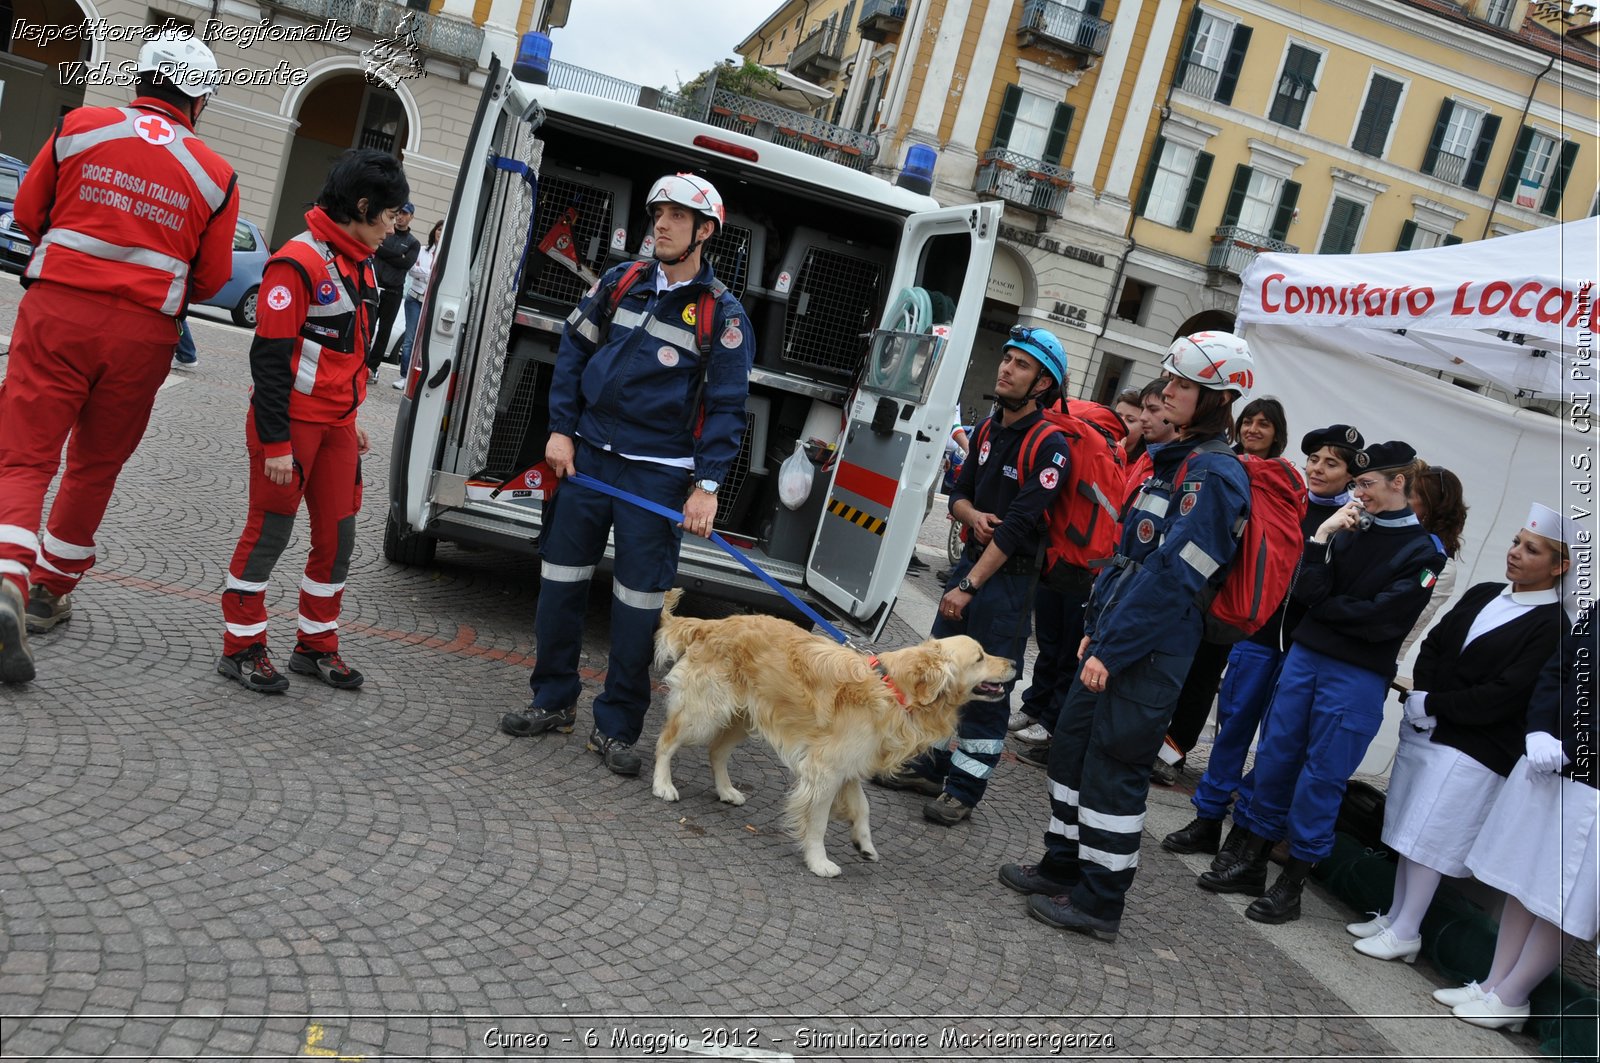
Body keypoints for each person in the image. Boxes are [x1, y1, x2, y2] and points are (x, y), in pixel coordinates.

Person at [0, 28, 239, 684]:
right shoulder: (216, 173)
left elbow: (27, 212)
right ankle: (50, 590)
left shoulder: (81, 127)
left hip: (58, 312)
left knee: (24, 455)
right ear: (198, 102)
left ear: (140, 80)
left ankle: (6, 580)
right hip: (143, 335)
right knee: (93, 467)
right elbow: (214, 278)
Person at [998, 331, 1254, 942]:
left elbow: (1173, 579)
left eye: (1183, 387)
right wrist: (1096, 632)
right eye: (1170, 382)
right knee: (1072, 752)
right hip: (1114, 638)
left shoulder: (1213, 477)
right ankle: (1062, 865)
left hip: (1150, 651)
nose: (1166, 394)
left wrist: (1112, 648)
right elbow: (1128, 562)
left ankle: (1100, 901)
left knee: (1114, 767)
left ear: (1217, 400)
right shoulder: (1173, 466)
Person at [498, 173, 753, 777]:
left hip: (656, 481)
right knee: (559, 587)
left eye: (675, 216)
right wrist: (560, 430)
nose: (659, 224)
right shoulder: (621, 282)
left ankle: (616, 729)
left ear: (705, 231)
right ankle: (552, 701)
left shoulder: (722, 313)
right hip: (586, 462)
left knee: (639, 611)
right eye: (656, 212)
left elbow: (726, 406)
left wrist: (707, 486)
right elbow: (573, 353)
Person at [1200, 441, 1447, 924]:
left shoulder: (1425, 552)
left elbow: (1381, 620)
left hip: (1353, 675)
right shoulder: (1350, 528)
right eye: (1357, 485)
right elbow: (1307, 589)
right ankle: (1251, 862)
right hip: (1308, 657)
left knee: (1320, 777)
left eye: (1367, 484)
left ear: (1399, 483)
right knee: (1275, 758)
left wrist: (1327, 608)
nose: (1360, 493)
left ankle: (1291, 885)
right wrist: (1320, 542)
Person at [216, 149, 407, 692]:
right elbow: (270, 361)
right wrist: (276, 443)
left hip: (336, 428)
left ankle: (315, 645)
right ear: (363, 207)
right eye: (390, 215)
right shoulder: (296, 261)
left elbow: (344, 352)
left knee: (339, 538)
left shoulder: (360, 258)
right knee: (270, 534)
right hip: (290, 428)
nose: (394, 227)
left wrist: (351, 415)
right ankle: (242, 648)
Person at [1349, 503, 1569, 964]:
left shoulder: (1552, 626)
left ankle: (1409, 927)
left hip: (1477, 746)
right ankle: (1395, 915)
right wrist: (1423, 695)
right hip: (1432, 725)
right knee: (1410, 826)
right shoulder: (1486, 592)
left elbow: (1506, 693)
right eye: (1515, 542)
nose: (1515, 553)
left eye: (1531, 550)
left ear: (1559, 566)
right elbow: (1436, 643)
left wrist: (1437, 705)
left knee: (1434, 836)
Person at [876, 327, 1070, 823]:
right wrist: (971, 517)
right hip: (972, 567)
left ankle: (964, 788)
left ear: (1043, 384)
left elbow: (1018, 529)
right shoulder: (987, 429)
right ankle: (931, 766)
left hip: (1006, 583)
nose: (1006, 368)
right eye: (1006, 358)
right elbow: (958, 491)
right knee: (941, 675)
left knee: (987, 688)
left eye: (1021, 364)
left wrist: (967, 587)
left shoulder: (1051, 446)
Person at [1162, 425, 1364, 863]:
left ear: (1350, 475)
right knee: (1232, 727)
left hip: (1302, 649)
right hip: (1256, 634)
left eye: (1332, 463)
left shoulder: (1352, 525)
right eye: (1314, 460)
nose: (1318, 469)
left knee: (1277, 744)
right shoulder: (1287, 501)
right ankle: (1207, 818)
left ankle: (1247, 830)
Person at [1450, 607, 1594, 1031]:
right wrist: (1539, 729)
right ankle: (1495, 984)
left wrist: (1580, 745)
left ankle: (1514, 995)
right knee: (1525, 877)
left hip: (1593, 779)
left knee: (1561, 897)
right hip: (1550, 761)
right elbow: (1558, 669)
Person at [1152, 396, 1290, 786]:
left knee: (1203, 675)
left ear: (1277, 433)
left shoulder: (1277, 477)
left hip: (1231, 590)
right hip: (1194, 582)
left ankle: (1172, 752)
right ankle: (1147, 739)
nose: (1253, 429)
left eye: (1264, 423)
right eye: (1248, 421)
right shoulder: (1219, 462)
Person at [1396, 461, 1468, 662]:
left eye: (1408, 496)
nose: (1399, 500)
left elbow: (1402, 617)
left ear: (1430, 509)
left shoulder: (1442, 568)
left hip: (1372, 662)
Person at [366, 201, 418, 382]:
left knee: (384, 331)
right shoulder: (386, 231)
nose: (401, 216)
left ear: (411, 217)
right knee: (367, 327)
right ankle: (359, 363)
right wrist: (396, 255)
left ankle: (372, 367)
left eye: (405, 213)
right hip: (374, 286)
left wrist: (384, 252)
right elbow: (374, 248)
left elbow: (406, 263)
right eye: (399, 212)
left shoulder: (413, 243)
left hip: (393, 291)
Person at [393, 219, 441, 389]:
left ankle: (417, 377)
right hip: (414, 299)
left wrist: (424, 273)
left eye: (444, 230)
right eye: (438, 229)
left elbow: (441, 277)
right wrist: (429, 274)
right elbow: (412, 269)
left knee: (424, 341)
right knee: (410, 339)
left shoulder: (447, 256)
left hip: (432, 303)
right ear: (434, 231)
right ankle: (404, 376)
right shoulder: (421, 250)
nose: (440, 233)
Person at [1113, 387, 1144, 465]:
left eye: (1130, 420)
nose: (1121, 422)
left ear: (1144, 428)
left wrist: (1117, 458)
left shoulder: (1143, 464)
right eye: (1117, 416)